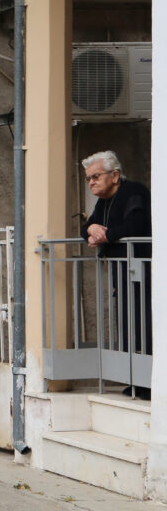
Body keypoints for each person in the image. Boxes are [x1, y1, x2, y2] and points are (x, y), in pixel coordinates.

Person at [82, 150, 152, 399]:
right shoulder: (104, 201)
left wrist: (105, 235)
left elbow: (135, 225)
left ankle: (148, 383)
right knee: (126, 325)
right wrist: (91, 227)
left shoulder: (133, 192)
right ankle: (134, 380)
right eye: (88, 178)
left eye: (96, 176)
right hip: (123, 273)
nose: (91, 182)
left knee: (143, 324)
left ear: (114, 175)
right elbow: (86, 227)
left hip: (143, 272)